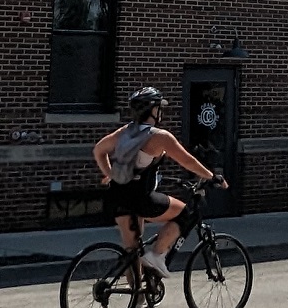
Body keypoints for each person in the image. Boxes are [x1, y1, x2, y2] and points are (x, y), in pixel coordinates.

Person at [92, 86, 217, 284]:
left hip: (118, 197)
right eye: (159, 108)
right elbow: (187, 161)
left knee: (132, 251)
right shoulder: (159, 137)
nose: (161, 112)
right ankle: (157, 255)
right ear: (152, 110)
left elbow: (99, 150)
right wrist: (211, 176)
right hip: (141, 199)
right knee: (185, 213)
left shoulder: (124, 132)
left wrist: (111, 174)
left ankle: (138, 300)